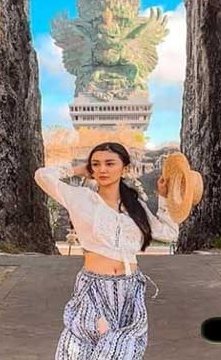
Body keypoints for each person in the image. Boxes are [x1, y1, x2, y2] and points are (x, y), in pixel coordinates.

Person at [34, 142, 179, 360]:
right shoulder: (80, 198)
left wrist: (164, 197)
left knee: (124, 351)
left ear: (125, 168)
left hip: (130, 290)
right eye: (96, 164)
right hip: (94, 288)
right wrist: (77, 168)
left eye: (110, 163)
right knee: (92, 348)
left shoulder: (135, 205)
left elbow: (169, 232)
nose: (102, 169)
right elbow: (42, 176)